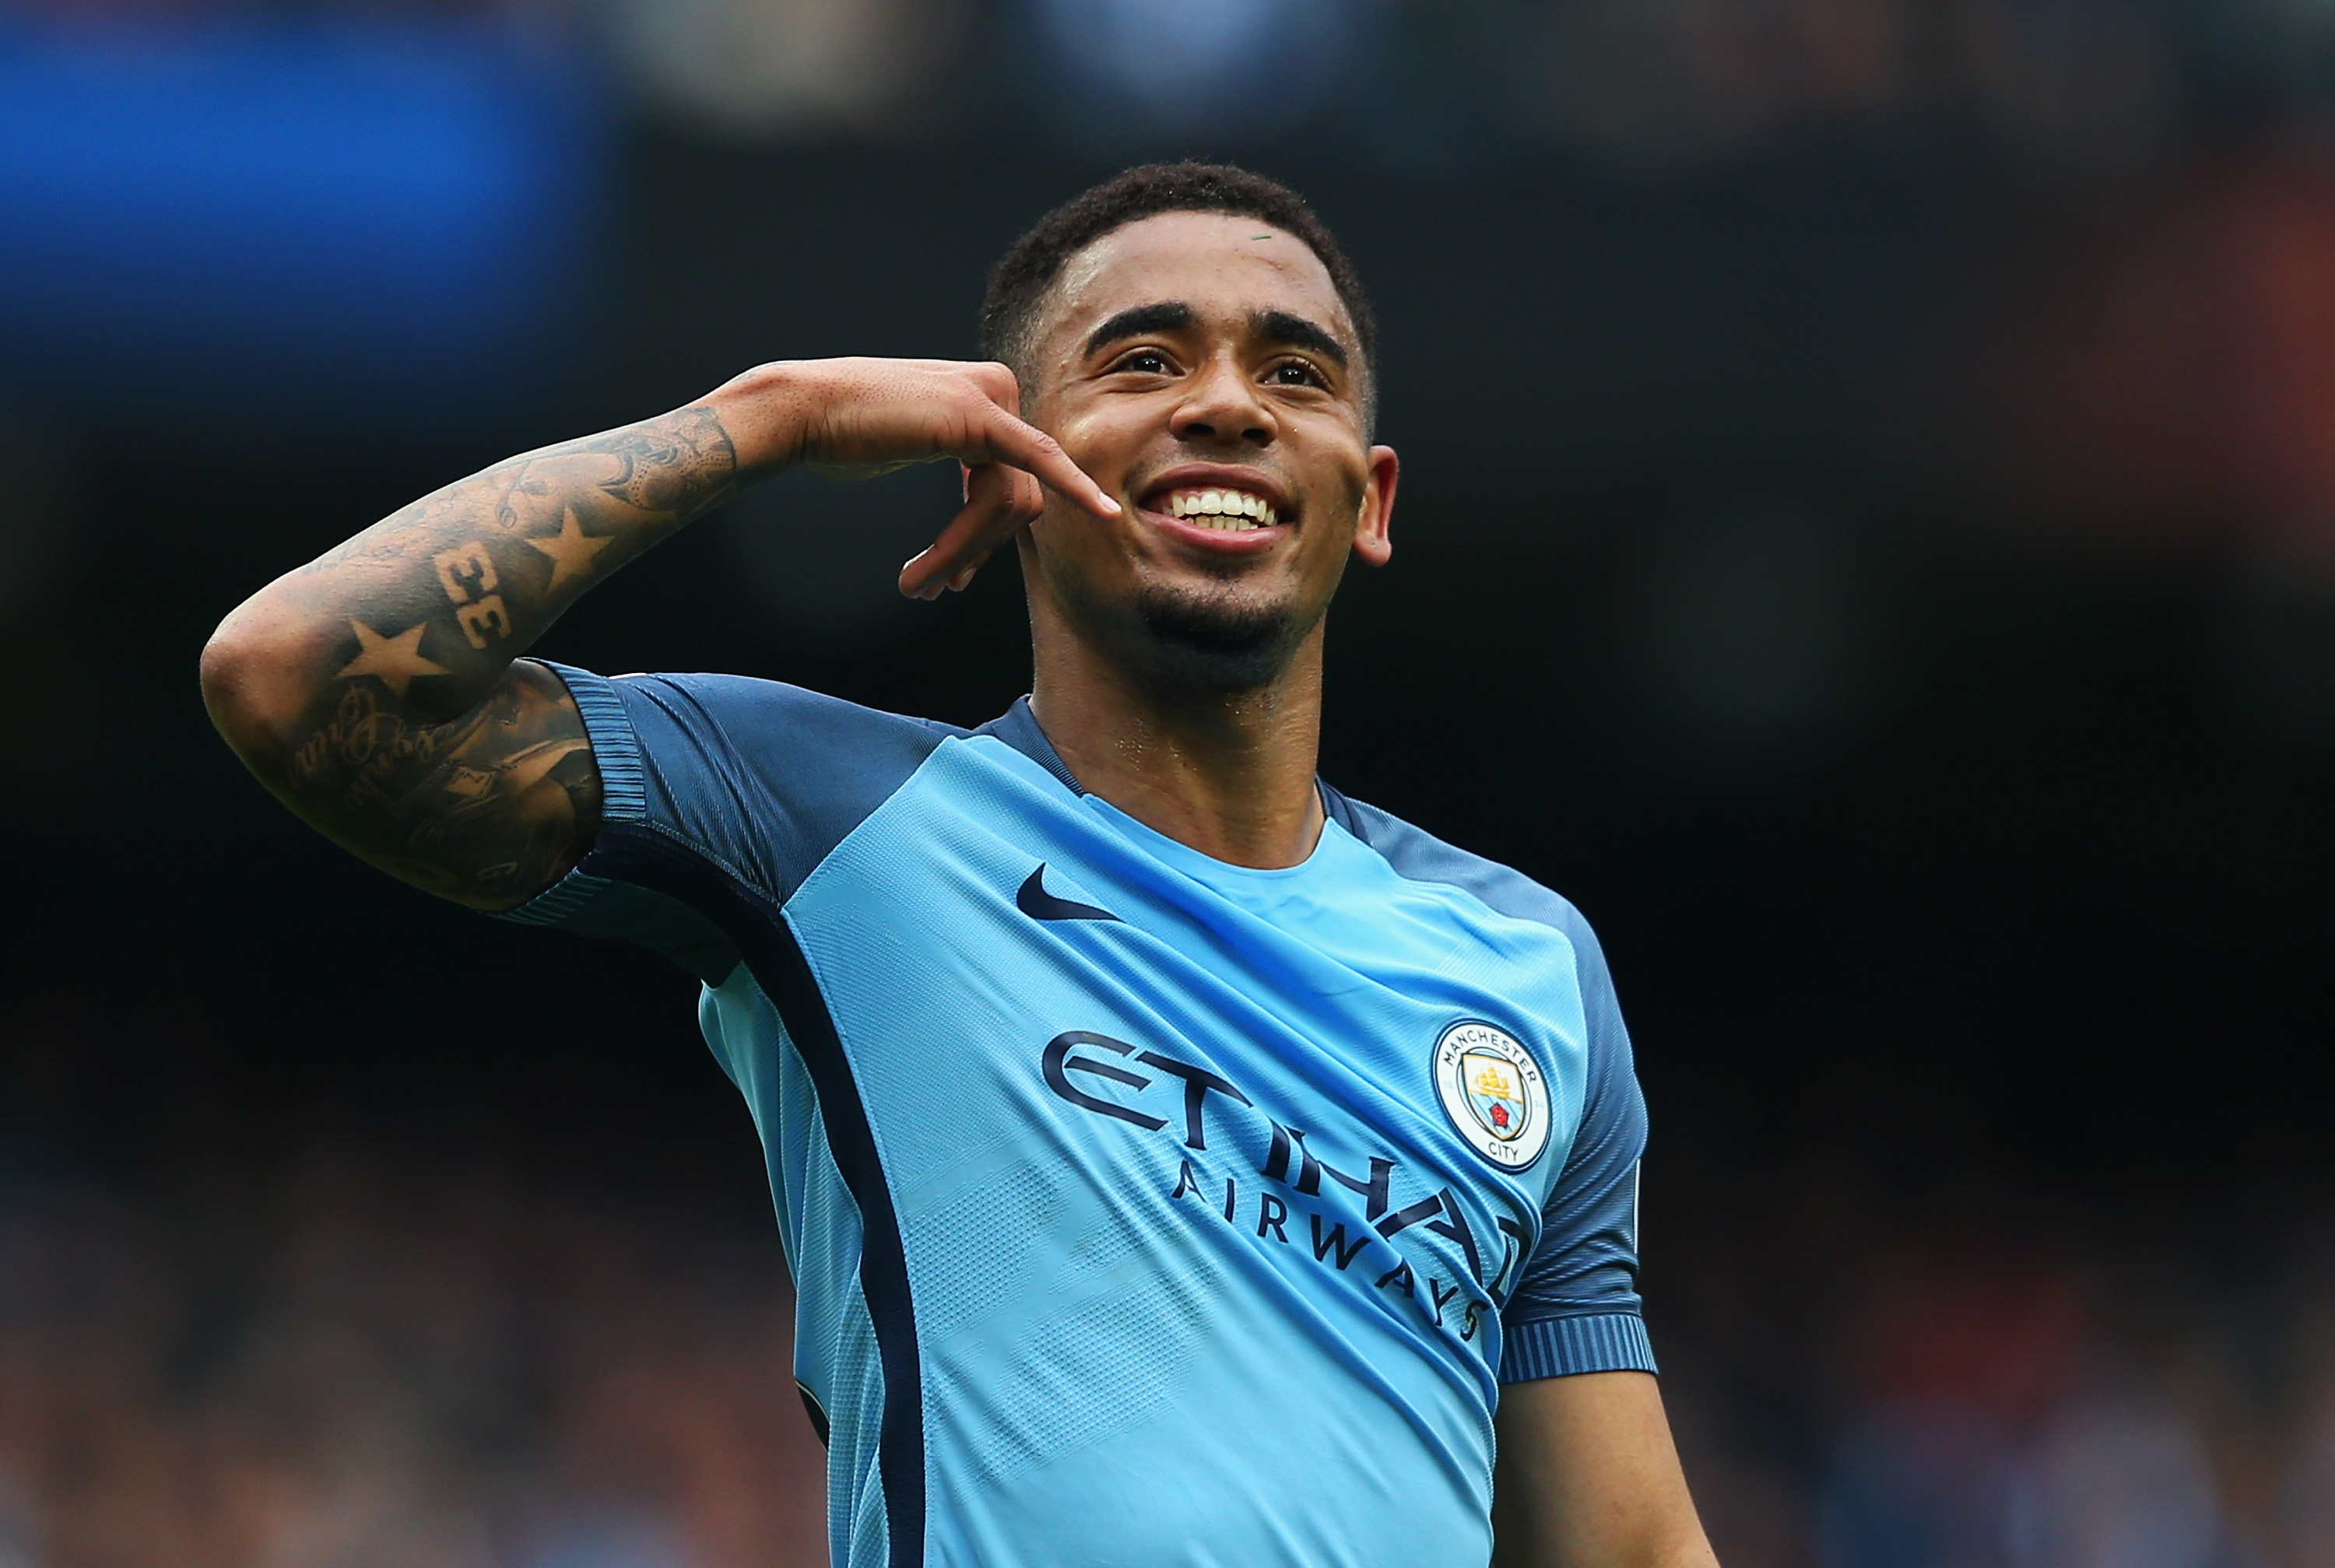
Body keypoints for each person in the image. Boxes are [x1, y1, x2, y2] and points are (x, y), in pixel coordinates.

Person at [200, 161, 1720, 1568]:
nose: (1230, 406)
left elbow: (1629, 1546)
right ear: (1012, 457)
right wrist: (770, 419)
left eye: (1293, 371)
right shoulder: (821, 816)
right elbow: (296, 678)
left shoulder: (1527, 968)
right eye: (1143, 360)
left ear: (1368, 497)